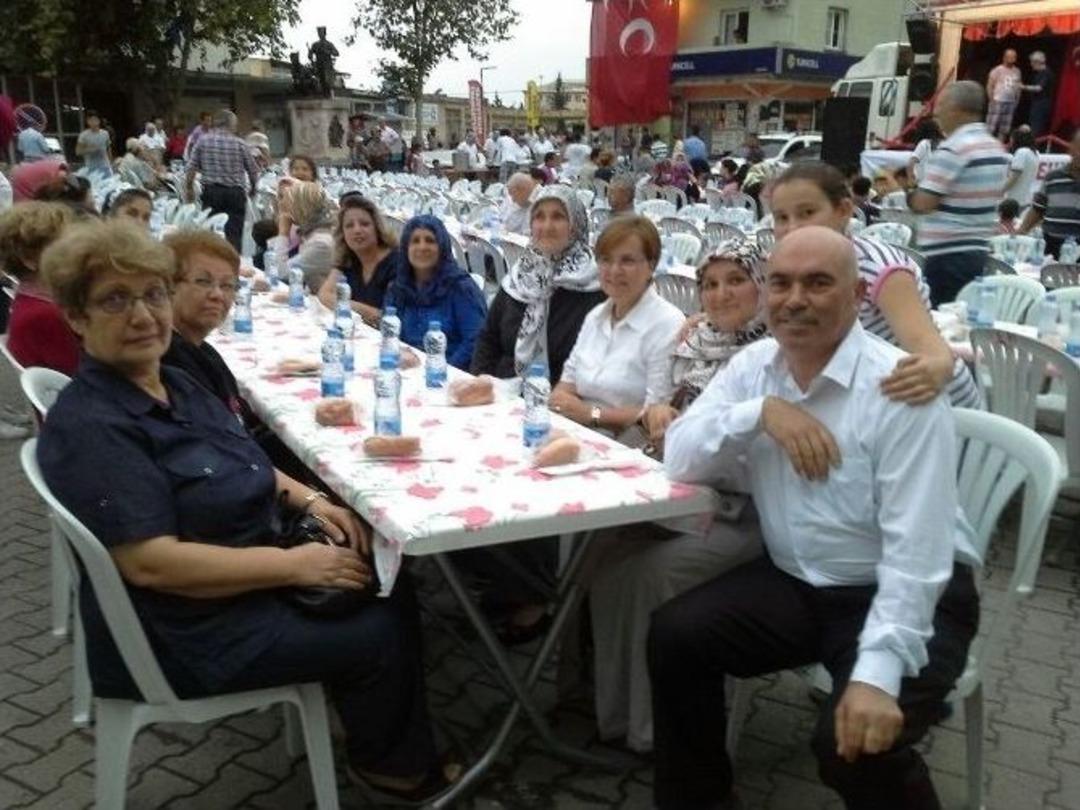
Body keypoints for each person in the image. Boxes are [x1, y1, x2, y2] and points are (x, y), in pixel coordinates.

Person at [36, 218, 455, 803]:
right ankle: (393, 765)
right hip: (190, 632)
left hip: (238, 574)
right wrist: (295, 568)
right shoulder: (96, 426)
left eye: (153, 293)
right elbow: (152, 564)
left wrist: (311, 498)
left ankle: (380, 727)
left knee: (384, 566)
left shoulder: (172, 383)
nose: (142, 315)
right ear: (77, 318)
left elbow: (242, 456)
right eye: (114, 300)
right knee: (381, 624)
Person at [650, 226, 980, 810]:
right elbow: (680, 452)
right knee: (677, 635)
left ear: (857, 299)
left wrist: (877, 674)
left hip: (912, 593)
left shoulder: (899, 386)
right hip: (800, 582)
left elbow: (917, 549)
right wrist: (761, 413)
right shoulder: (756, 368)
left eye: (818, 283)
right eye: (780, 282)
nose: (794, 298)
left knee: (849, 745)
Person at [587, 241, 767, 753]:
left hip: (743, 513)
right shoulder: (695, 340)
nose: (721, 293)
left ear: (762, 284)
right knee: (599, 556)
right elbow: (659, 406)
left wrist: (683, 438)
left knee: (649, 574)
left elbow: (746, 457)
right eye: (710, 283)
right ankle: (612, 714)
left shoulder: (772, 356)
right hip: (674, 492)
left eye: (736, 279)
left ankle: (654, 733)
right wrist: (660, 413)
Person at [774, 161, 981, 407]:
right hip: (865, 398)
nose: (792, 227)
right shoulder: (790, 269)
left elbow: (930, 350)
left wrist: (937, 362)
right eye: (782, 218)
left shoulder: (877, 266)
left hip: (930, 401)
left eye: (807, 213)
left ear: (843, 210)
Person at [550, 215, 683, 434]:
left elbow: (655, 414)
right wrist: (576, 410)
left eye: (627, 261)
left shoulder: (667, 324)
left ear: (651, 265)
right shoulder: (595, 317)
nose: (614, 270)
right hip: (576, 431)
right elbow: (563, 389)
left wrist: (591, 414)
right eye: (606, 260)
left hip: (627, 444)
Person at [470, 185, 605, 384]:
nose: (547, 226)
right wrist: (480, 382)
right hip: (503, 392)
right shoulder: (520, 277)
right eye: (539, 217)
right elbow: (488, 339)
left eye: (558, 217)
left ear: (575, 225)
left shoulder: (595, 286)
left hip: (561, 402)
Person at [908, 81, 1009, 306]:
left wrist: (908, 192)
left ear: (957, 108)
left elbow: (924, 203)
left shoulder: (954, 148)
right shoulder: (995, 148)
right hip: (977, 251)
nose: (936, 112)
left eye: (941, 104)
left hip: (947, 254)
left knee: (940, 321)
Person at [382, 215, 487, 370]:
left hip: (448, 374)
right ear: (406, 248)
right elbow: (390, 334)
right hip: (407, 369)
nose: (422, 247)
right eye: (415, 241)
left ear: (442, 247)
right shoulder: (398, 288)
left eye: (430, 240)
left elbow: (474, 342)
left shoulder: (461, 288)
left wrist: (438, 370)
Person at [0, 202, 80, 376]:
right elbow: (82, 374)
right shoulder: (45, 314)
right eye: (63, 249)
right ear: (30, 259)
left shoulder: (32, 298)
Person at [185, 109, 260, 252]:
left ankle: (213, 263)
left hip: (212, 191)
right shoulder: (240, 143)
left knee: (211, 231)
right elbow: (253, 169)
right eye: (235, 124)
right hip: (235, 193)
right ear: (230, 124)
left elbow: (191, 167)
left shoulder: (203, 140)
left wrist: (189, 188)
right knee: (234, 233)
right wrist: (254, 187)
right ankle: (232, 264)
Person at [317, 193, 397, 324]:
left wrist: (343, 305)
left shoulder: (395, 262)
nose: (357, 230)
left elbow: (385, 317)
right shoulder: (348, 258)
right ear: (342, 233)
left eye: (364, 224)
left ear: (377, 228)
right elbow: (324, 295)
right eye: (349, 226)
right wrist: (362, 310)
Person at [1021, 128, 1080, 259]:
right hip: (1048, 249)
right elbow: (1037, 209)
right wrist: (1021, 232)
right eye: (1079, 148)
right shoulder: (1053, 177)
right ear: (1071, 149)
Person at [271, 181, 337, 293]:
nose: (280, 204)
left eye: (284, 200)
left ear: (299, 207)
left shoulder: (321, 243)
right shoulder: (312, 233)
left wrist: (283, 232)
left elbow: (280, 272)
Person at [986, 48, 1022, 141]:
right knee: (991, 126)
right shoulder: (997, 70)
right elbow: (990, 85)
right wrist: (992, 100)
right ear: (1005, 57)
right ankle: (986, 146)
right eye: (1010, 56)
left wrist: (1017, 100)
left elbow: (1018, 86)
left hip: (1010, 102)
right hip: (998, 101)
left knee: (1005, 128)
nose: (1013, 58)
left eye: (1014, 56)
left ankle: (1000, 147)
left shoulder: (1017, 71)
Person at [1022, 51, 1055, 139]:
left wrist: (1023, 87)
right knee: (1033, 126)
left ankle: (1032, 146)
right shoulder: (1038, 73)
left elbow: (1039, 88)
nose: (1031, 64)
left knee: (1036, 128)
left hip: (1041, 104)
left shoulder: (1046, 73)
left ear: (1037, 62)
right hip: (1037, 103)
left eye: (1032, 62)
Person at [1004, 126, 1039, 208]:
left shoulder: (1021, 153)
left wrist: (1001, 190)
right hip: (1026, 199)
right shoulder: (1035, 153)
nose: (1010, 142)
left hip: (1015, 199)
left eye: (1011, 139)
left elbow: (1015, 176)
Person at [905, 118, 943, 187]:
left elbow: (911, 162)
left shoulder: (927, 144)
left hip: (929, 183)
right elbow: (911, 162)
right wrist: (911, 178)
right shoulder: (925, 144)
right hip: (926, 183)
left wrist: (910, 178)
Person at [76, 112, 112, 177]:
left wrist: (110, 162)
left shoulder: (105, 133)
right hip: (91, 167)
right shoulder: (83, 135)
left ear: (99, 121)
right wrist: (89, 149)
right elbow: (78, 151)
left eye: (95, 119)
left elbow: (108, 148)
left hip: (105, 165)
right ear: (88, 122)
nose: (93, 122)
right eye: (91, 120)